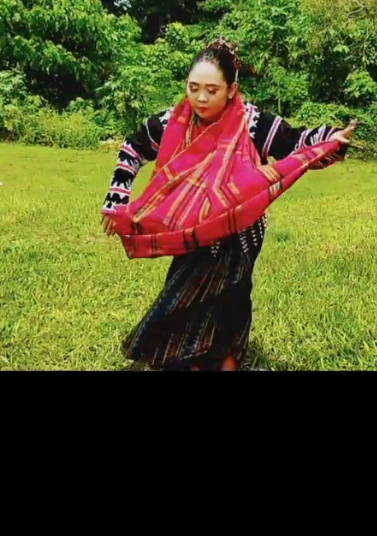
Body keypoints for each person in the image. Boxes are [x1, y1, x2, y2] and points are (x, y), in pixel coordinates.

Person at [101, 39, 357, 371]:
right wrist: (116, 200)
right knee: (182, 296)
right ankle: (183, 356)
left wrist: (330, 140)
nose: (201, 98)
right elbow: (133, 148)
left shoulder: (251, 123)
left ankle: (225, 358)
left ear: (232, 89)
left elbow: (295, 142)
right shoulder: (172, 122)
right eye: (194, 88)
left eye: (212, 89)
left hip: (241, 232)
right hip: (190, 231)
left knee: (230, 299)